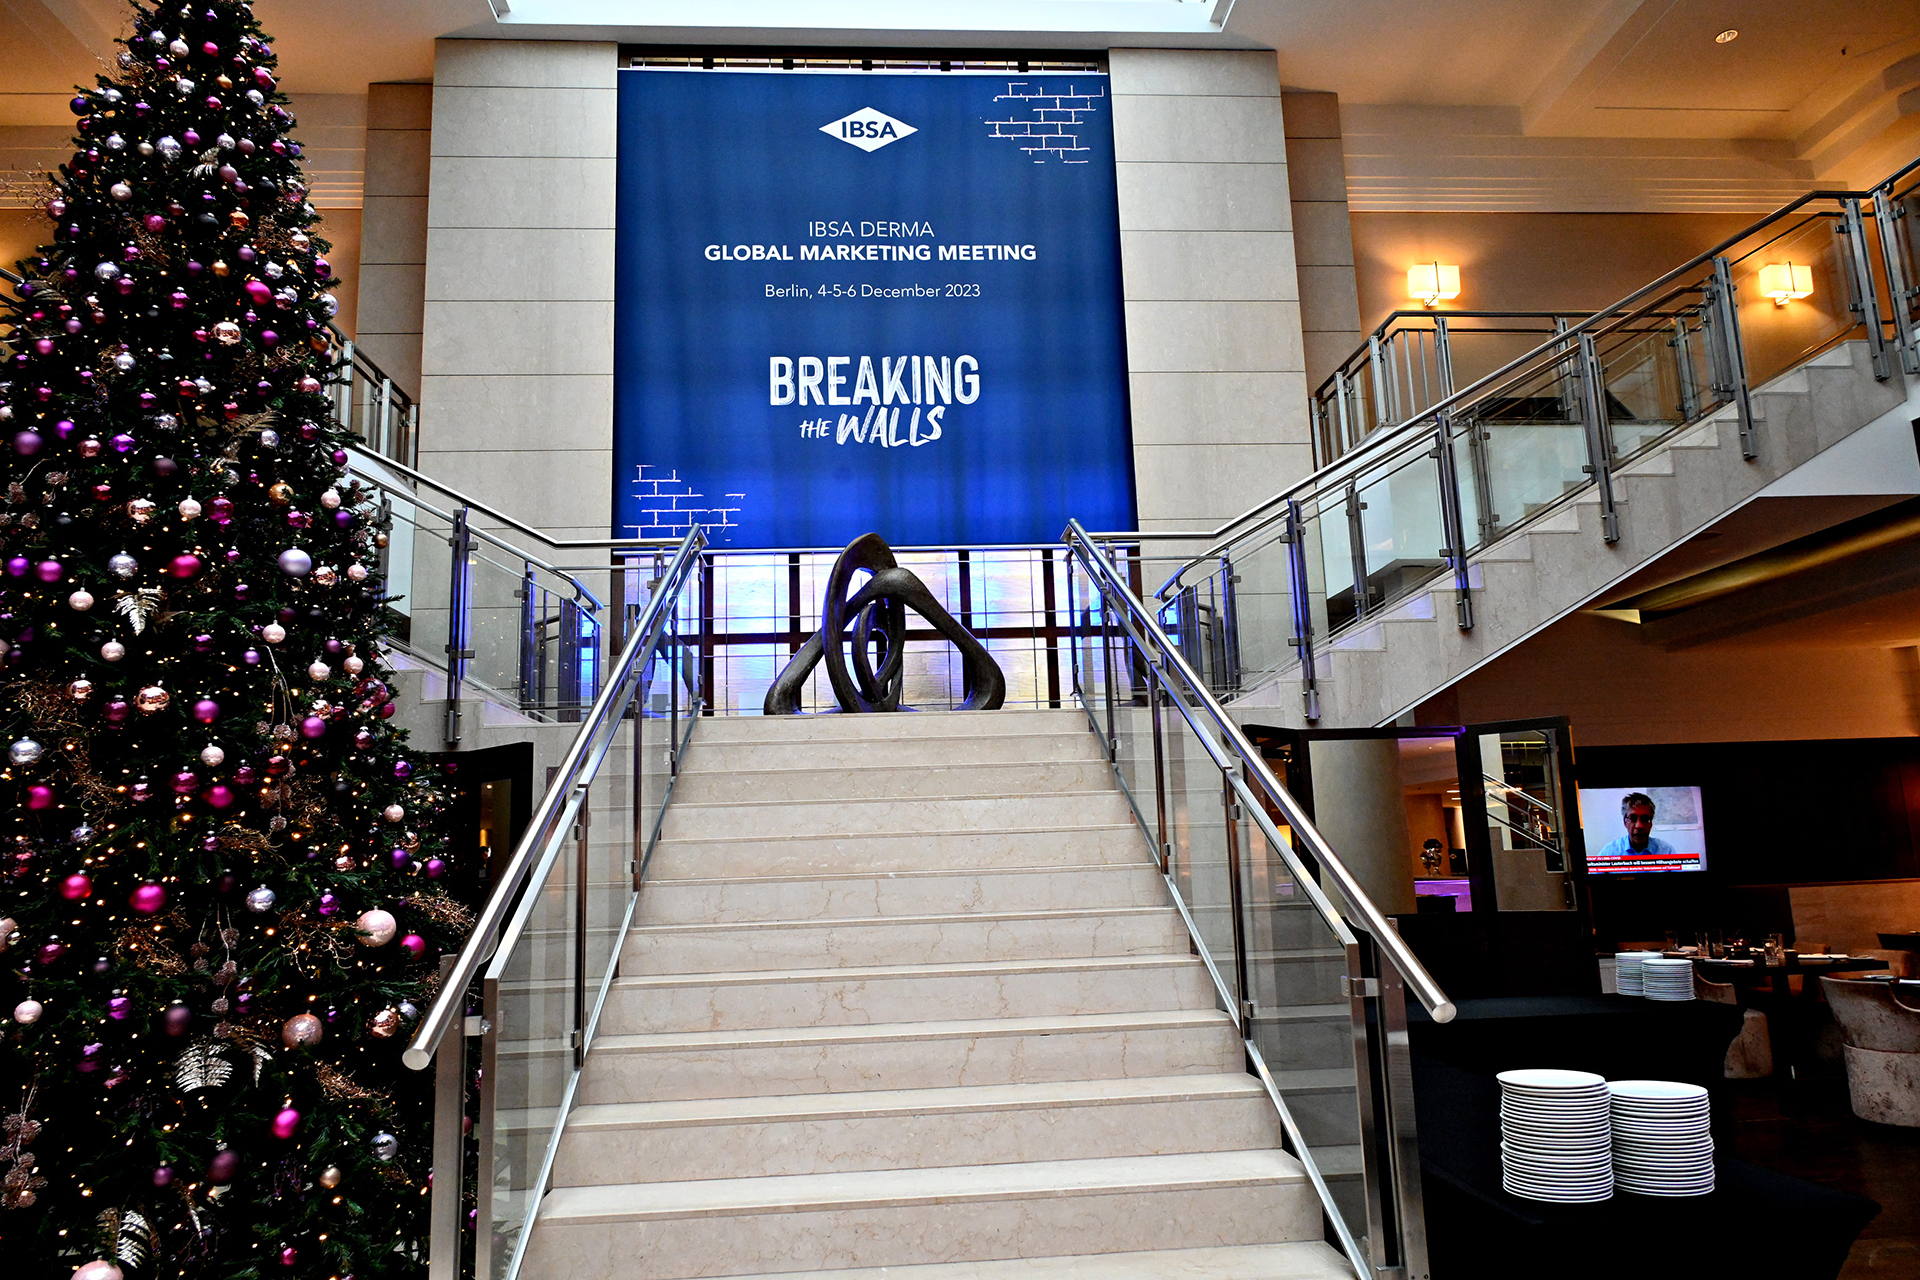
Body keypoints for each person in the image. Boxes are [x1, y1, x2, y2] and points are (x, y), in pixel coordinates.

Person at [1596, 792, 1674, 860]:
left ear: (1651, 824)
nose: (1639, 826)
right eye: (1633, 818)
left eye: (1644, 819)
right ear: (1625, 822)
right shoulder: (1609, 852)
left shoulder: (1666, 851)